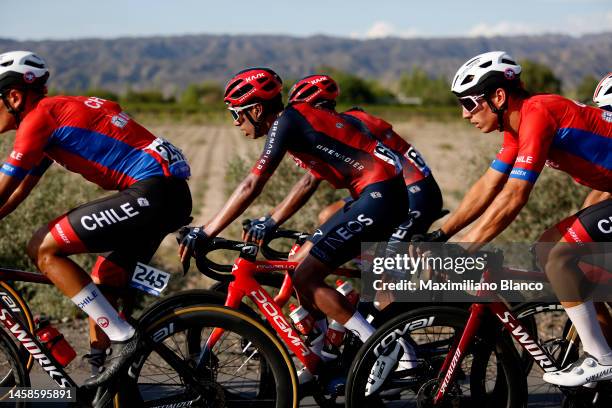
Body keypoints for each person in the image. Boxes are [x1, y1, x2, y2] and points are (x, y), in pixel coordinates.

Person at [178, 67, 418, 380]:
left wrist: (206, 231)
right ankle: (322, 351)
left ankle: (382, 347)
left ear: (256, 109)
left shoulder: (286, 122)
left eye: (237, 114)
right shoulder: (296, 122)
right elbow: (307, 183)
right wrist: (271, 220)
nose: (236, 122)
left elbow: (252, 184)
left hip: (379, 194)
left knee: (307, 275)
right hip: (375, 194)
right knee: (300, 261)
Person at [0, 51, 192, 389]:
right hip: (166, 194)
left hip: (152, 191)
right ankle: (102, 375)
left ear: (14, 96)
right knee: (105, 278)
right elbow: (17, 193)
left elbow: (2, 189)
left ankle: (123, 337)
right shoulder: (51, 116)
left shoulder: (38, 120)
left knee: (43, 248)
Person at [419, 51, 612, 386]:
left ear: (497, 96)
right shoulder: (516, 125)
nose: (465, 115)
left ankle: (604, 359)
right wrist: (441, 236)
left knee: (559, 254)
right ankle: (604, 344)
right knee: (551, 251)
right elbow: (489, 185)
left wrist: (465, 247)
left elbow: (514, 195)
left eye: (469, 103)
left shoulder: (538, 111)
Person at [244, 74, 443, 311]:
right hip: (390, 193)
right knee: (327, 215)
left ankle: (388, 329)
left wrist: (272, 220)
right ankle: (368, 272)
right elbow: (309, 181)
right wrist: (271, 219)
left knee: (381, 285)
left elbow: (309, 182)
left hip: (415, 196)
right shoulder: (341, 121)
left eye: (310, 109)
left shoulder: (349, 122)